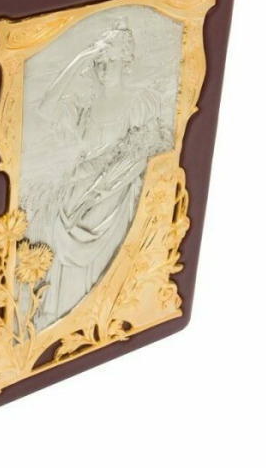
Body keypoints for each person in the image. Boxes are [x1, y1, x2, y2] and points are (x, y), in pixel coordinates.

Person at [19, 17, 172, 330]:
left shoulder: (141, 102)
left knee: (105, 268)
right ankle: (64, 324)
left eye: (110, 62)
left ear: (124, 62)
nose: (103, 69)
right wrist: (82, 57)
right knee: (61, 255)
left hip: (113, 198)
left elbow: (150, 150)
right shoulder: (84, 110)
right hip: (76, 197)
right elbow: (45, 108)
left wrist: (112, 182)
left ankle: (95, 322)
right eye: (99, 63)